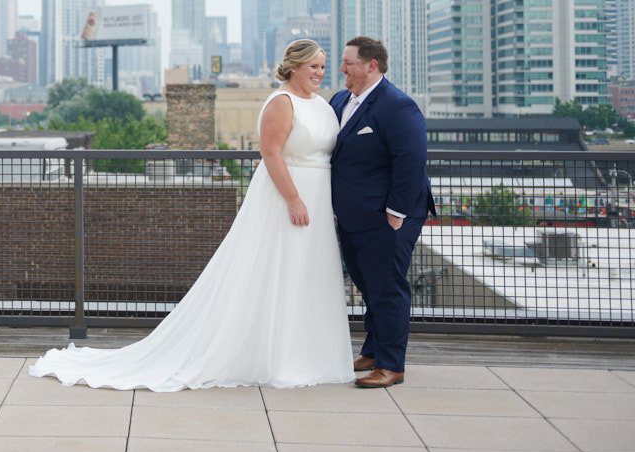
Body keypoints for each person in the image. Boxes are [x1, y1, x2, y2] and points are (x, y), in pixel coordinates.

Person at [29, 40, 354, 390]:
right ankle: (277, 356)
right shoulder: (281, 102)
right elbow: (271, 153)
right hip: (287, 198)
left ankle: (307, 354)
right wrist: (293, 198)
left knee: (306, 274)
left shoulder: (322, 104)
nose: (320, 73)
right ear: (294, 68)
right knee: (279, 272)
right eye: (313, 67)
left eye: (323, 66)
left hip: (319, 200)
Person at [330, 36, 436, 389]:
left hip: (387, 216)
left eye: (349, 63)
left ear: (371, 65)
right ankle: (373, 350)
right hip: (352, 216)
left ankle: (392, 364)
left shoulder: (398, 106)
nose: (342, 68)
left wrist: (396, 212)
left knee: (388, 287)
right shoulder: (340, 100)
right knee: (368, 284)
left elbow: (411, 160)